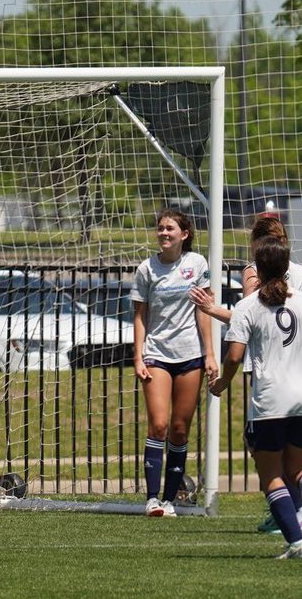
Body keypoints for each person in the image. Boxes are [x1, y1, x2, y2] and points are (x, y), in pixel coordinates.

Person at [190, 216, 302, 533]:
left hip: (270, 395)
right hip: (300, 393)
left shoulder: (250, 304)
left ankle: (294, 537)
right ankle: (294, 514)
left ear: (257, 264)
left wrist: (222, 383)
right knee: (295, 468)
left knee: (269, 470)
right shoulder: (298, 297)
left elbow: (236, 353)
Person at [132, 209, 218, 517]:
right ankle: (152, 498)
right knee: (159, 425)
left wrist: (209, 354)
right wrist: (138, 355)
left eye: (170, 228)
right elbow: (140, 315)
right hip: (157, 354)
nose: (164, 233)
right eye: (160, 228)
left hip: (190, 356)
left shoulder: (197, 264)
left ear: (184, 234)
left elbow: (203, 310)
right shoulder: (146, 269)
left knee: (180, 430)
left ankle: (170, 499)